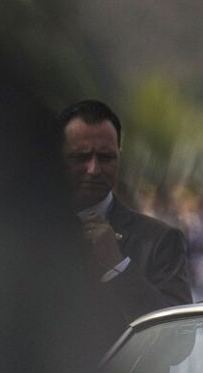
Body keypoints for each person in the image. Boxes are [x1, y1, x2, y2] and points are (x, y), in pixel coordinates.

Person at [58, 100, 193, 325]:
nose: (94, 169)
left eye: (106, 157)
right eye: (80, 157)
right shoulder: (20, 231)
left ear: (120, 157)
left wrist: (118, 266)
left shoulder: (159, 241)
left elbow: (179, 339)